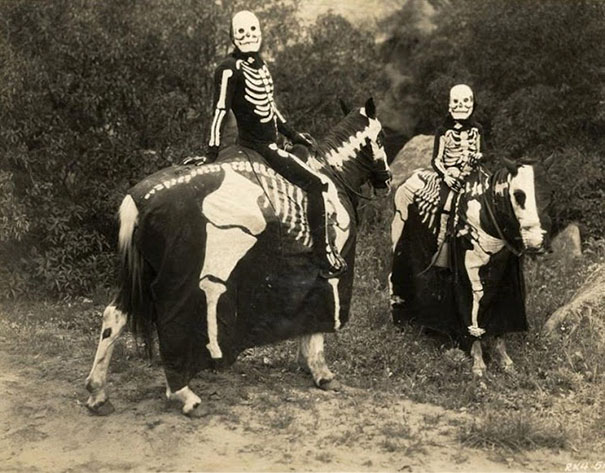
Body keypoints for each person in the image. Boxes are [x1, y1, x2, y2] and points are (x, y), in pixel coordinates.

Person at [205, 10, 346, 278]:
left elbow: (270, 109)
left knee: (303, 153)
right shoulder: (228, 68)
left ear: (260, 33)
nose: (248, 36)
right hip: (258, 145)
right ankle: (322, 254)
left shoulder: (260, 64)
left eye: (253, 30)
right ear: (232, 37)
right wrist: (211, 152)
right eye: (241, 32)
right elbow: (220, 111)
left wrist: (293, 135)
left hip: (272, 141)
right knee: (317, 184)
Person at [432, 84, 485, 266]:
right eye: (456, 101)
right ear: (449, 105)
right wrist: (446, 176)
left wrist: (478, 157)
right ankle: (441, 246)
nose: (461, 106)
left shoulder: (477, 129)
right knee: (446, 206)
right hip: (452, 176)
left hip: (474, 175)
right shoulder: (443, 131)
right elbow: (436, 160)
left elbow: (483, 152)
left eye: (465, 101)